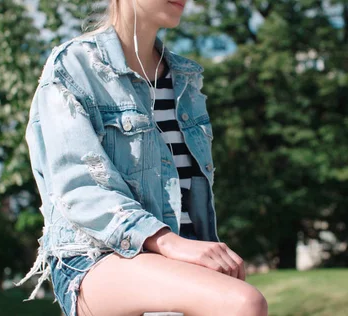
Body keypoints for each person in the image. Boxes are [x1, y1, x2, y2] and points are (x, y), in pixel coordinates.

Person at [16, 0, 268, 315]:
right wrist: (168, 243)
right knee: (243, 302)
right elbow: (79, 188)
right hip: (98, 257)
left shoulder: (185, 80)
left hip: (179, 261)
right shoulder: (73, 66)